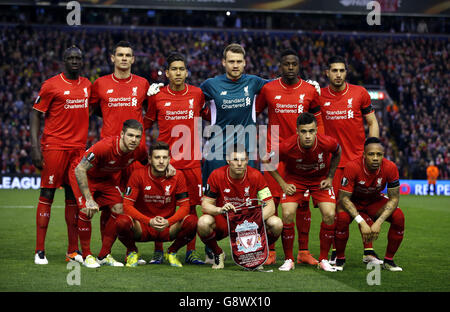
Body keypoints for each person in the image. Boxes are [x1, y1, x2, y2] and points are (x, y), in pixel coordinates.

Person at [255, 49, 324, 266]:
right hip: (273, 151)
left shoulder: (310, 90)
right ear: (280, 66)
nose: (291, 67)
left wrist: (316, 146)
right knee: (271, 202)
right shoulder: (268, 89)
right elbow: (253, 114)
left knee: (301, 204)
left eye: (294, 64)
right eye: (287, 64)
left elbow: (319, 122)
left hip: (300, 154)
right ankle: (272, 251)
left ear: (299, 65)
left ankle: (303, 251)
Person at [144, 52, 209, 265]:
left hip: (191, 163)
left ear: (187, 72)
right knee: (161, 207)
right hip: (165, 163)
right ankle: (158, 251)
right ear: (167, 72)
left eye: (182, 69)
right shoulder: (157, 96)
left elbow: (212, 114)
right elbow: (145, 124)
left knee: (191, 208)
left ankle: (190, 252)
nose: (178, 72)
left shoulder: (197, 94)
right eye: (174, 69)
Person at [317, 55, 381, 264]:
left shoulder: (359, 93)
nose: (338, 74)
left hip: (357, 162)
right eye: (334, 70)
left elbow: (372, 122)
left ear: (346, 72)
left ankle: (369, 251)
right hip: (333, 164)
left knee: (364, 206)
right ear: (327, 72)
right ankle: (336, 252)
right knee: (338, 211)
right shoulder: (319, 96)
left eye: (341, 70)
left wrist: (372, 150)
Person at [31, 46, 91, 265]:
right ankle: (39, 250)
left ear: (82, 61)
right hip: (54, 147)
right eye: (70, 58)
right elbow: (36, 114)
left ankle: (73, 251)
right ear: (63, 61)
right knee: (47, 194)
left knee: (73, 198)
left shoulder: (87, 85)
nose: (75, 61)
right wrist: (35, 147)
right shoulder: (51, 85)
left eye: (78, 58)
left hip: (78, 150)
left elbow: (91, 109)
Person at [89, 41, 150, 251]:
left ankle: (130, 251)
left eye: (128, 55)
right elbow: (95, 109)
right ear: (112, 58)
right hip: (110, 155)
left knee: (137, 203)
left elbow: (151, 112)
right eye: (120, 55)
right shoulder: (99, 84)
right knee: (108, 207)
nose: (124, 58)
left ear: (133, 59)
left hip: (134, 153)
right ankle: (105, 253)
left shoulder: (143, 84)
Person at [264, 113, 341, 272]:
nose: (308, 136)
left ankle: (324, 259)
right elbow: (266, 160)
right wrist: (283, 184)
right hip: (295, 180)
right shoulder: (287, 146)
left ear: (316, 131)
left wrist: (330, 176)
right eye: (304, 131)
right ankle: (288, 259)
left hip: (319, 180)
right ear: (297, 131)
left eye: (311, 131)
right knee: (287, 213)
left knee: (330, 214)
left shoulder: (326, 142)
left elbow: (338, 152)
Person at [68, 119, 147, 268]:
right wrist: (89, 199)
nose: (134, 140)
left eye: (137, 137)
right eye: (130, 135)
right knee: (87, 209)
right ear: (122, 134)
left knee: (119, 208)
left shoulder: (139, 149)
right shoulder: (105, 147)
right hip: (83, 174)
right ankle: (86, 256)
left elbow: (147, 163)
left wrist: (166, 168)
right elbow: (80, 169)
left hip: (105, 178)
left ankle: (104, 255)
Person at [111, 141, 197, 267]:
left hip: (167, 226)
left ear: (169, 159)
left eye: (164, 158)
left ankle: (172, 251)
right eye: (157, 157)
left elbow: (185, 207)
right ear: (150, 159)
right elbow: (127, 205)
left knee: (192, 221)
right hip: (143, 226)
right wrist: (148, 221)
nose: (161, 161)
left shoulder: (178, 176)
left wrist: (169, 221)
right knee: (121, 222)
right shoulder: (138, 175)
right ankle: (132, 251)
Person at [197, 144, 283, 269]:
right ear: (228, 160)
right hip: (225, 220)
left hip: (250, 223)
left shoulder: (256, 176)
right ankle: (218, 253)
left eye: (243, 160)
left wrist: (253, 221)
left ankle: (256, 252)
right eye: (235, 160)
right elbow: (205, 205)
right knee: (203, 222)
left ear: (247, 160)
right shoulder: (217, 175)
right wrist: (219, 209)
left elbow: (270, 206)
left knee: (277, 223)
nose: (239, 163)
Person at [199, 43, 268, 185]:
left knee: (248, 199)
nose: (235, 65)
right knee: (211, 200)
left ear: (244, 63)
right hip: (218, 152)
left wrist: (306, 85)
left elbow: (279, 86)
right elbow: (190, 98)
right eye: (231, 61)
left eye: (238, 61)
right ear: (224, 62)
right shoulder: (210, 84)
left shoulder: (254, 82)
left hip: (246, 153)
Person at [334, 137, 404, 271]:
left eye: (379, 154)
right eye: (371, 154)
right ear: (364, 155)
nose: (376, 158)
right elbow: (343, 198)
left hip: (374, 201)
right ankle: (340, 260)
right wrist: (361, 221)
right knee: (342, 219)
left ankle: (388, 261)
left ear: (383, 155)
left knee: (399, 217)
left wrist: (378, 222)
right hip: (352, 201)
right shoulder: (352, 166)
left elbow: (394, 199)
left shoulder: (390, 167)